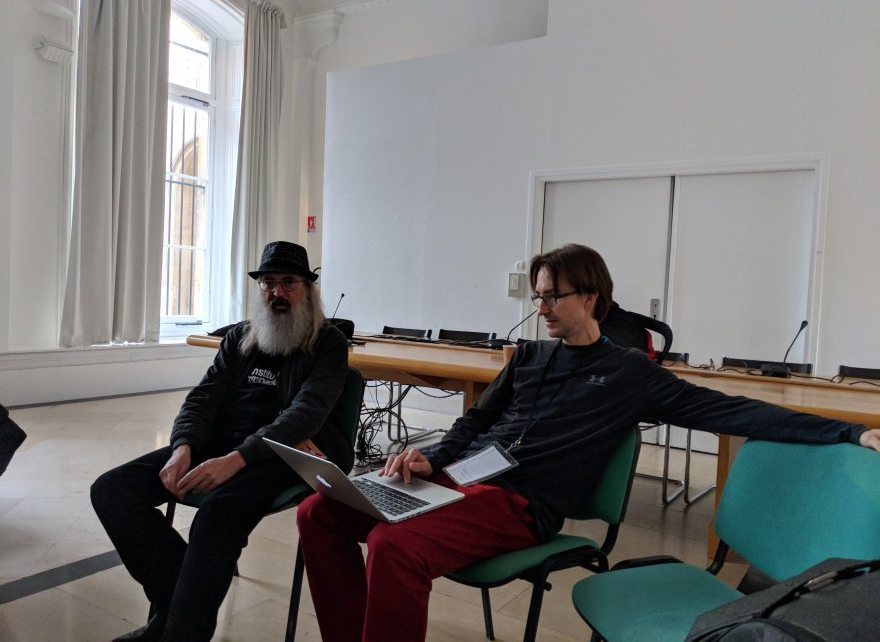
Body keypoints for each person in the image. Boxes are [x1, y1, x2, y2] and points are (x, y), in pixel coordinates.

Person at [296, 243, 880, 642]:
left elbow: (729, 410)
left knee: (393, 546)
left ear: (591, 298)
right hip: (454, 480)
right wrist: (433, 458)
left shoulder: (629, 373)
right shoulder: (528, 357)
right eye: (538, 297)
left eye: (553, 296)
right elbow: (474, 423)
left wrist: (849, 430)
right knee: (317, 512)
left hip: (518, 504)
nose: (542, 308)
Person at [91, 241, 350, 642]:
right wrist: (183, 446)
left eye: (288, 282)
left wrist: (237, 459)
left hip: (282, 455)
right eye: (268, 283)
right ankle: (178, 609)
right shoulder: (241, 337)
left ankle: (179, 630)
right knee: (112, 490)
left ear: (308, 289)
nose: (277, 292)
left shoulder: (327, 343)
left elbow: (306, 413)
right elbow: (204, 397)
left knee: (218, 513)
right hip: (218, 444)